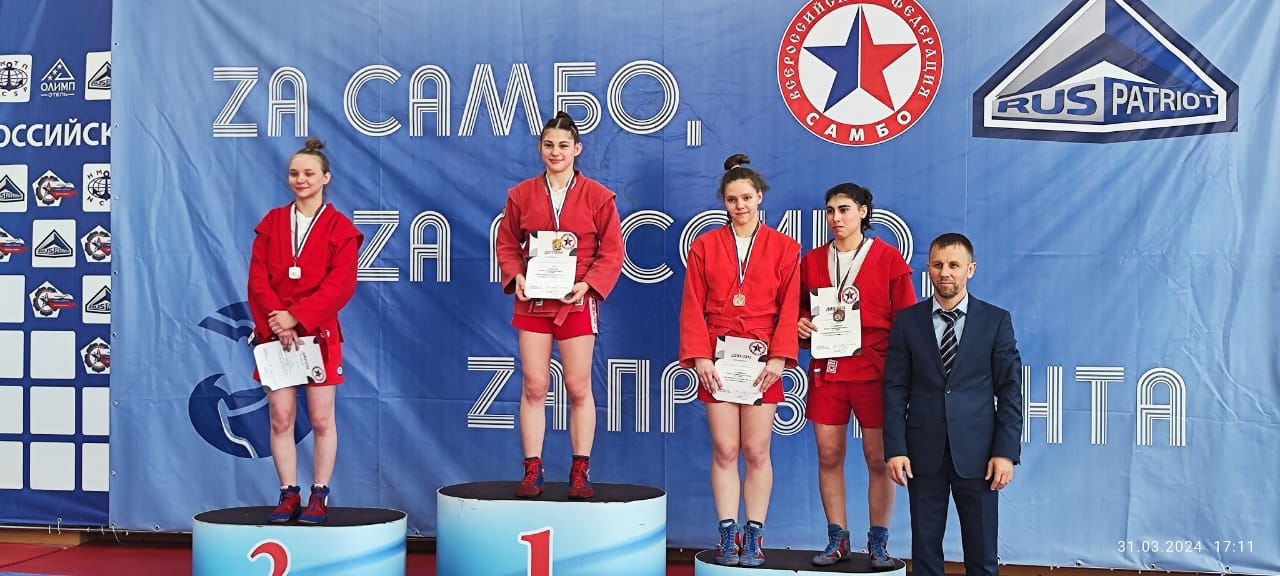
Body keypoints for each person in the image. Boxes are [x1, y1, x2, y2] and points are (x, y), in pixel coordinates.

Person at [679, 154, 801, 568]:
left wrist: (780, 358)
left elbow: (790, 307)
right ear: (724, 202)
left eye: (747, 197)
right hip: (717, 356)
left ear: (760, 196)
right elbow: (692, 304)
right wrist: (700, 357)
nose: (740, 206)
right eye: (732, 199)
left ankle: (754, 534)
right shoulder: (704, 245)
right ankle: (727, 533)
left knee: (756, 449)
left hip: (763, 358)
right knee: (725, 447)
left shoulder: (785, 248)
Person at [495, 111, 624, 500]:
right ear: (540, 148)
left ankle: (580, 469)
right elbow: (506, 243)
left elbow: (612, 251)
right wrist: (516, 275)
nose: (556, 152)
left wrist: (587, 285)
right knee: (534, 385)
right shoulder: (521, 194)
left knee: (578, 386)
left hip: (576, 302)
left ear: (577, 149)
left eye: (564, 145)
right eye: (549, 145)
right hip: (533, 301)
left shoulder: (599, 196)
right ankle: (532, 469)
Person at [882, 232, 1023, 576]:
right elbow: (895, 388)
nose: (945, 272)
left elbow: (1010, 390)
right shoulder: (907, 321)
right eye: (938, 264)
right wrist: (895, 448)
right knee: (925, 550)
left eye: (954, 265)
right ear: (928, 268)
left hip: (980, 455)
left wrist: (1005, 452)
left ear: (970, 269)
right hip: (922, 452)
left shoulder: (995, 320)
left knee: (982, 552)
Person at [797, 183, 915, 569]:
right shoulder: (813, 260)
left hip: (875, 370)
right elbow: (799, 311)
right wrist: (801, 324)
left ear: (863, 211)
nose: (836, 218)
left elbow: (908, 319)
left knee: (879, 459)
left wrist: (903, 373)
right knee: (829, 454)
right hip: (828, 369)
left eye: (844, 209)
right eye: (830, 211)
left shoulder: (888, 257)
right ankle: (837, 539)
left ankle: (879, 542)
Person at [248, 138, 364, 524]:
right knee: (280, 417)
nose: (301, 179)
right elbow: (257, 280)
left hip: (319, 335)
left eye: (309, 173)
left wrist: (296, 318)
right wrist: (277, 321)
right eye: (294, 173)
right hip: (274, 334)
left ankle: (319, 494)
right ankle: (288, 493)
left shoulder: (340, 228)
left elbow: (340, 286)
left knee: (320, 419)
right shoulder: (272, 222)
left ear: (325, 178)